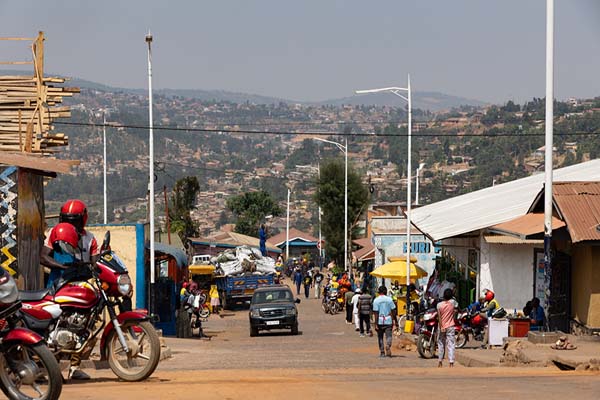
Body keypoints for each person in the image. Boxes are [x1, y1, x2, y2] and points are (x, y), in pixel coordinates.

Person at [40, 199, 99, 381]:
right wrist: (62, 267)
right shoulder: (54, 233)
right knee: (54, 327)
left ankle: (75, 367)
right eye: (67, 219)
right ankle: (51, 369)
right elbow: (43, 257)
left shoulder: (90, 239)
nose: (70, 223)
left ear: (83, 219)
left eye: (74, 219)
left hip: (82, 287)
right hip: (57, 284)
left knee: (87, 327)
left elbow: (96, 262)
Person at [373, 285, 398, 358]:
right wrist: (395, 321)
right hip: (388, 320)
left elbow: (376, 313)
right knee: (389, 336)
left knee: (380, 337)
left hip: (380, 321)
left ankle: (382, 352)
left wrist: (376, 324)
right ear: (385, 292)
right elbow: (393, 311)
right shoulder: (389, 299)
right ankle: (388, 345)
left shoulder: (376, 300)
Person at [437, 288, 459, 368]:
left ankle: (440, 361)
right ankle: (451, 362)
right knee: (451, 344)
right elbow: (457, 306)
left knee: (441, 344)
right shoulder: (453, 303)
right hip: (450, 326)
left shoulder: (439, 305)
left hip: (442, 326)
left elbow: (439, 317)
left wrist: (441, 326)